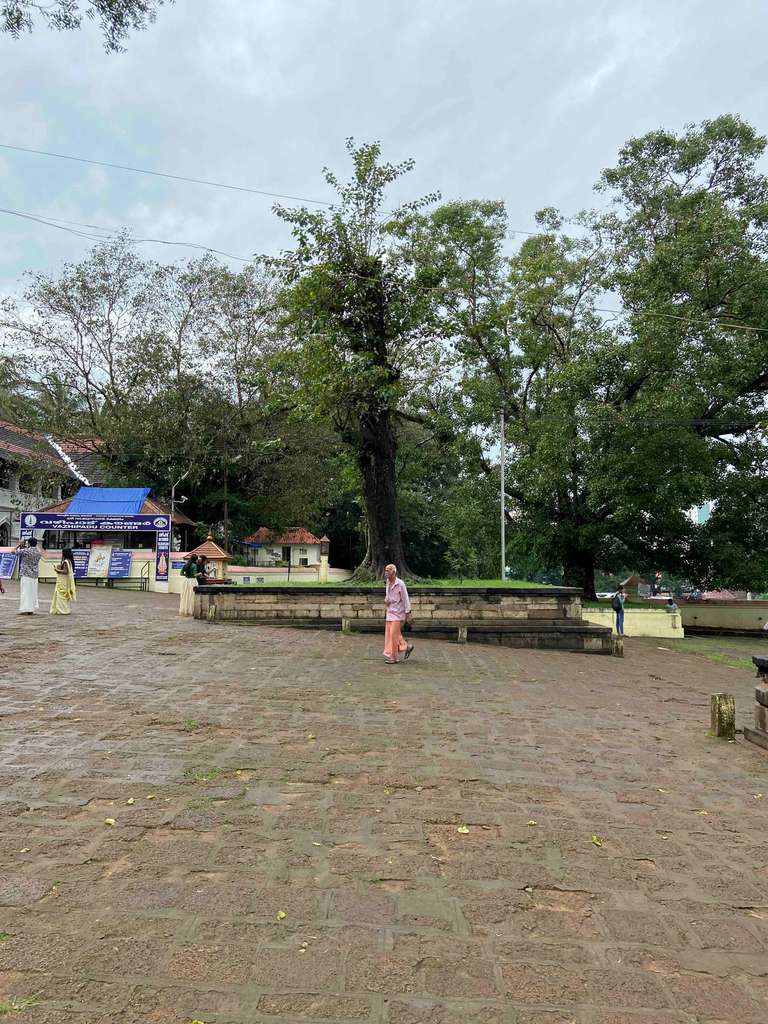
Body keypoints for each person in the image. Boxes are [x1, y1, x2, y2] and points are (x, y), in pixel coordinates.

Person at [383, 563, 414, 664]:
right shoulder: (388, 582)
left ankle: (394, 657)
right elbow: (388, 595)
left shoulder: (400, 583)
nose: (386, 572)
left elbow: (405, 599)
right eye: (385, 570)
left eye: (388, 570)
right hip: (390, 612)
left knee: (393, 635)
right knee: (392, 634)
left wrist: (408, 613)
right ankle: (407, 646)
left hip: (398, 613)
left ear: (393, 572)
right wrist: (386, 600)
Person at [15, 538, 43, 615]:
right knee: (33, 592)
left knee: (25, 592)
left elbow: (13, 551)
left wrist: (19, 545)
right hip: (34, 574)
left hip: (26, 573)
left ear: (29, 543)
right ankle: (31, 609)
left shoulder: (26, 551)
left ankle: (25, 609)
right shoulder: (39, 552)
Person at [50, 547, 77, 615]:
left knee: (61, 595)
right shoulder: (69, 561)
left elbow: (65, 571)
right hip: (66, 580)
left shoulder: (66, 562)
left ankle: (62, 610)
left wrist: (57, 570)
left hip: (63, 581)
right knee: (64, 595)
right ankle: (64, 609)